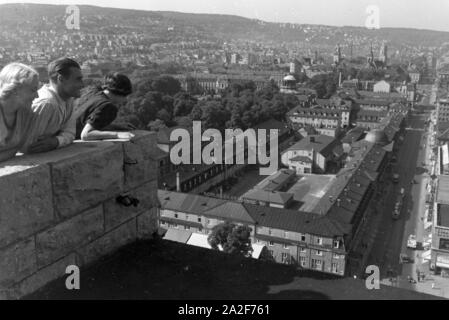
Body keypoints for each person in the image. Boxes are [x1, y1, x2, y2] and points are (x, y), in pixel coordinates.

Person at [22, 57, 84, 153]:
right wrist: (59, 139)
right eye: (78, 79)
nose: (82, 85)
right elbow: (29, 145)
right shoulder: (47, 104)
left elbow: (70, 133)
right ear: (61, 79)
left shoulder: (68, 100)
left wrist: (56, 141)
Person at [75, 72, 134, 140]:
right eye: (125, 95)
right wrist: (117, 134)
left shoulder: (93, 92)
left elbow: (84, 121)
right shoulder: (107, 106)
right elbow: (86, 134)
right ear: (121, 93)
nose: (125, 99)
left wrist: (114, 126)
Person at [0, 63, 39, 162]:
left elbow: (24, 147)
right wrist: (12, 151)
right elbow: (16, 148)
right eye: (33, 90)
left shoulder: (25, 114)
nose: (37, 95)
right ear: (15, 90)